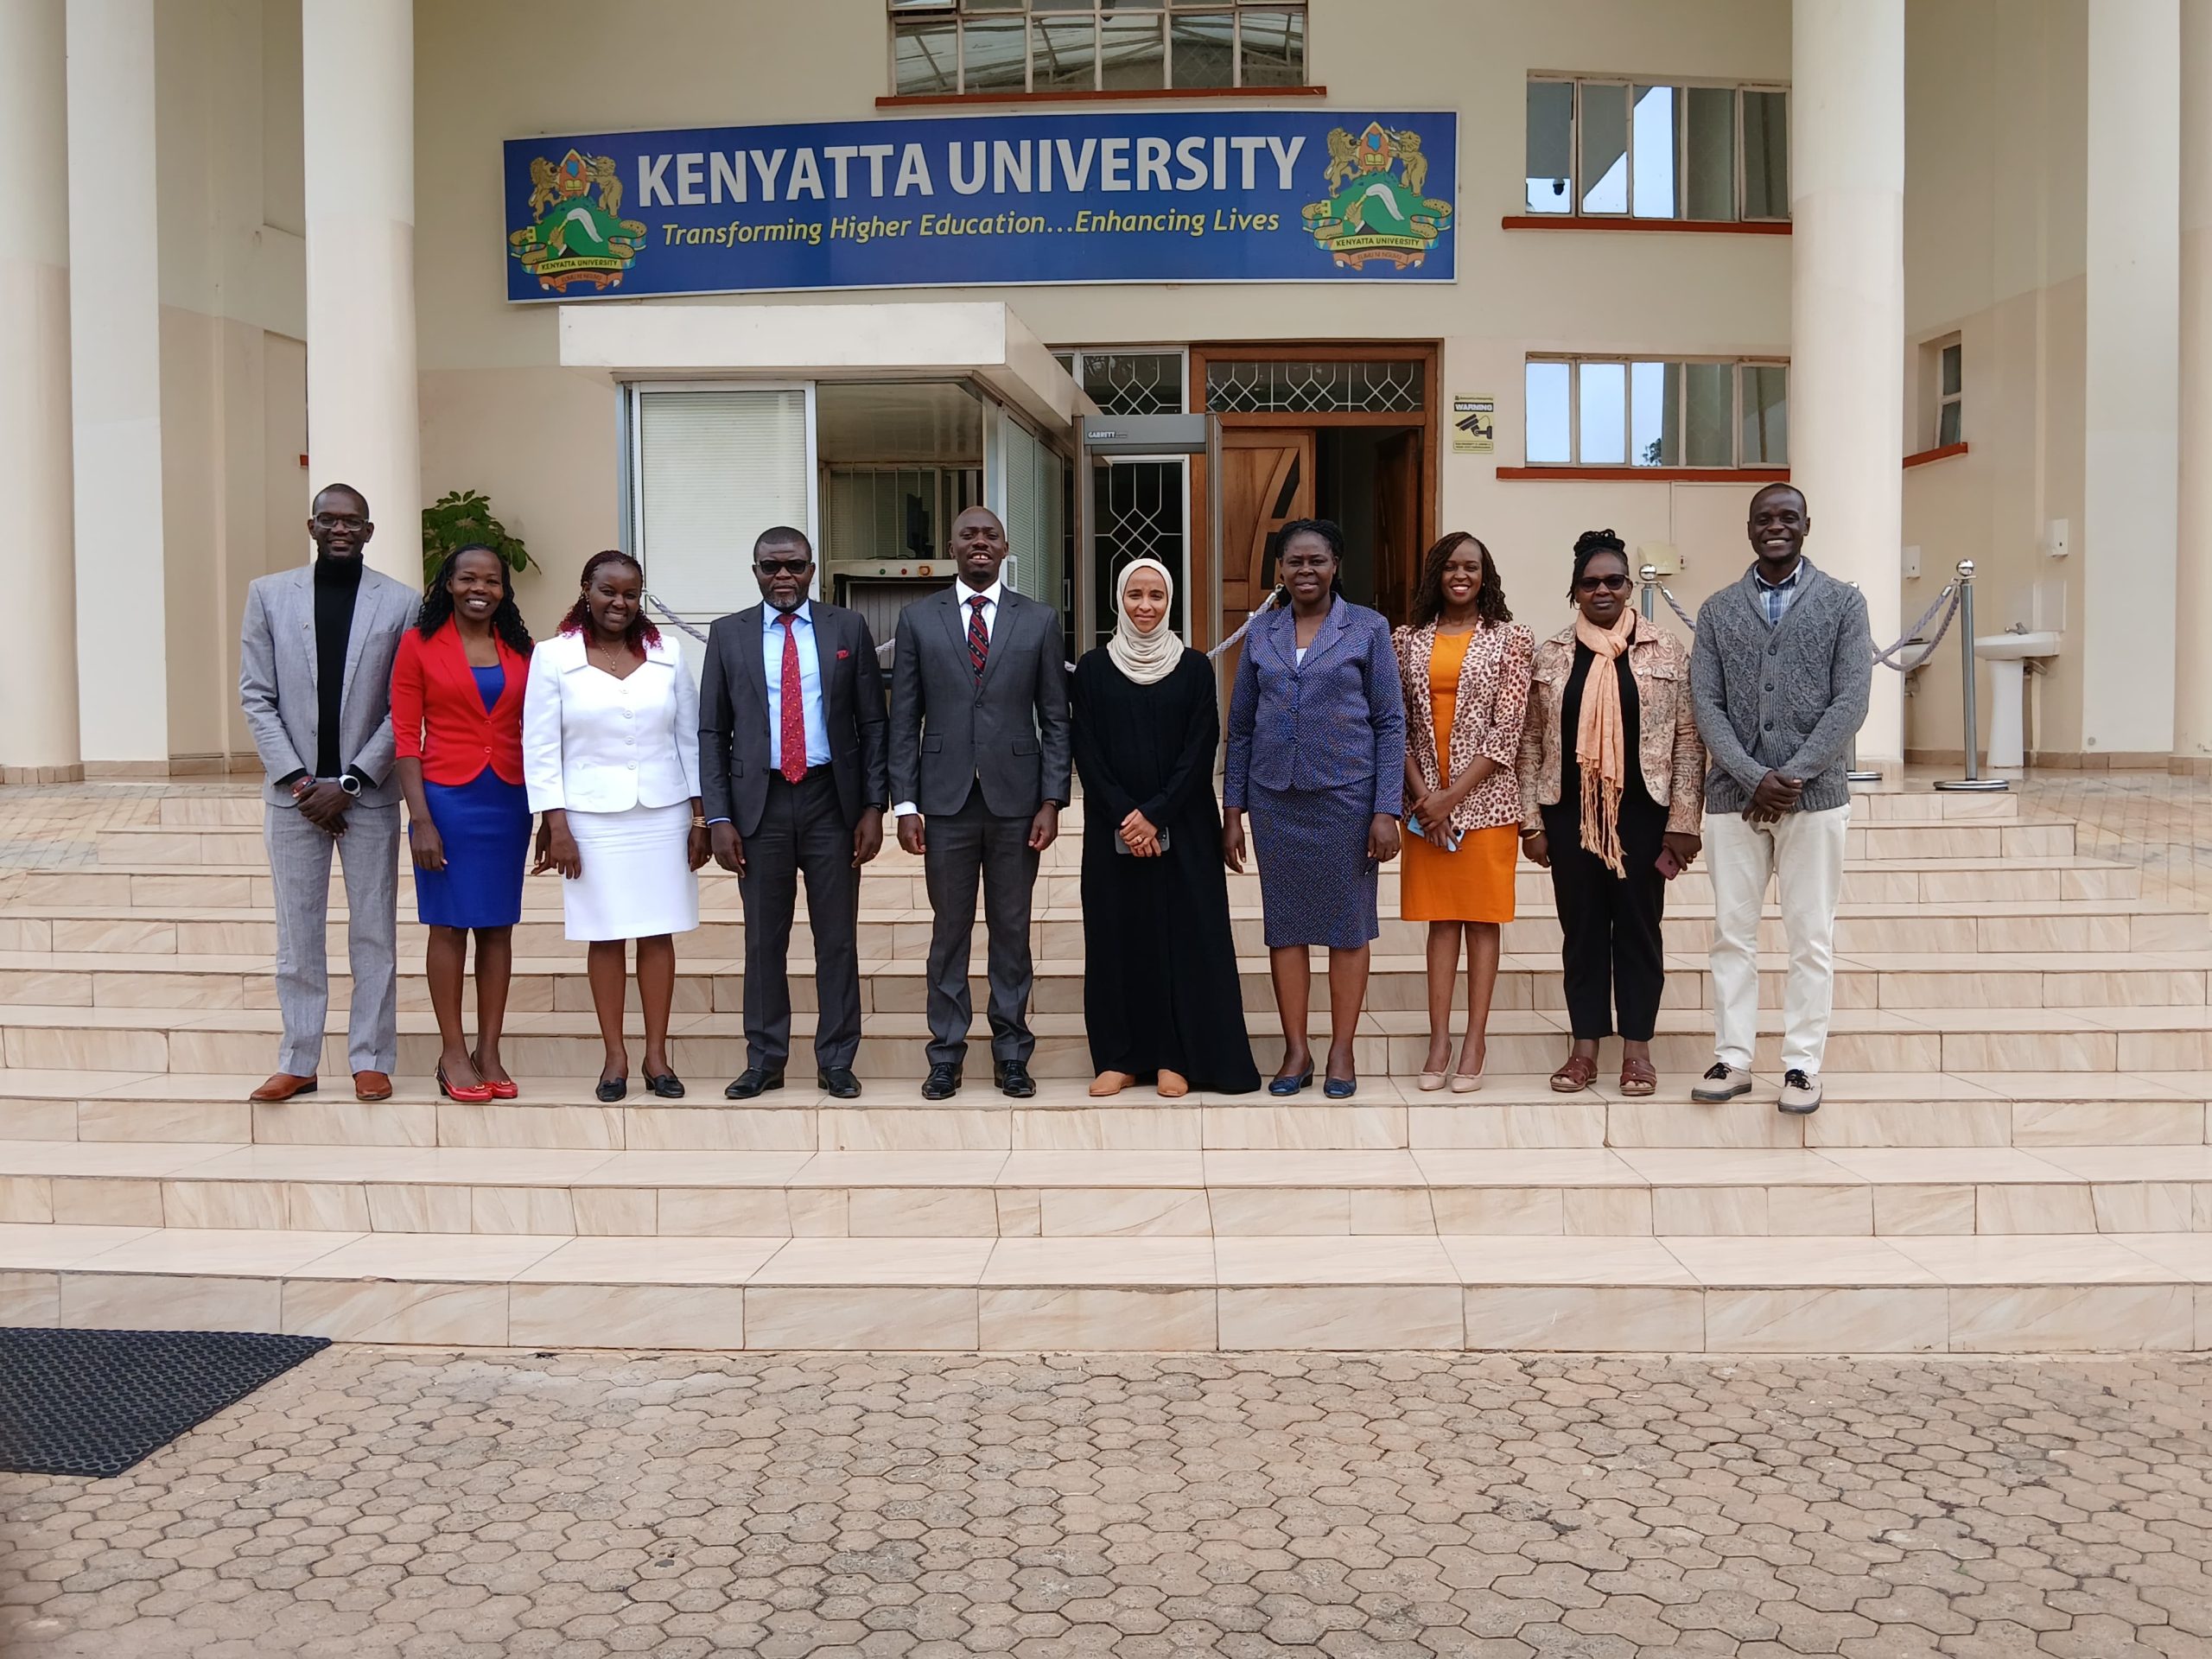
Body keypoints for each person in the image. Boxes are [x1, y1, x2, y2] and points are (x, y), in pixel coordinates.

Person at [1689, 484, 1872, 1116]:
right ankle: (1733, 1057)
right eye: (1765, 519)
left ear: (1806, 526)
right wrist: (1748, 775)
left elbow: (1851, 700)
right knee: (1732, 935)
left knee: (1809, 937)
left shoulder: (1844, 604)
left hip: (1815, 799)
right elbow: (1705, 705)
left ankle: (1801, 1064)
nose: (1776, 527)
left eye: (1787, 517)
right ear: (1748, 529)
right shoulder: (1716, 611)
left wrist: (1790, 776)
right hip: (1732, 800)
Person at [238, 483, 417, 1105]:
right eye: (328, 520)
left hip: (363, 797)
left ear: (369, 531)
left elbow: (404, 707)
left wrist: (349, 782)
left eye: (353, 521)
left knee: (374, 933)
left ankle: (370, 1056)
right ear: (311, 527)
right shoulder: (268, 596)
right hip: (292, 799)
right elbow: (256, 695)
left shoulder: (400, 603)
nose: (340, 529)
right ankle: (299, 1059)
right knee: (297, 934)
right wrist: (297, 780)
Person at [698, 527, 889, 1102]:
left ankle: (836, 1060)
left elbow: (872, 724)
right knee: (763, 940)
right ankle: (765, 1060)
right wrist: (718, 817)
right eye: (770, 566)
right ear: (754, 570)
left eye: (795, 566)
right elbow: (712, 731)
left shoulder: (846, 628)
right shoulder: (727, 634)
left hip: (832, 800)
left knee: (836, 939)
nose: (782, 576)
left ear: (813, 570)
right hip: (760, 805)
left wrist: (873, 805)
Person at [889, 506, 1072, 1100]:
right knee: (949, 932)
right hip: (943, 804)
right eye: (968, 534)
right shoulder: (918, 619)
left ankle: (1012, 1053)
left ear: (1005, 545)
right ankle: (945, 1055)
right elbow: (904, 718)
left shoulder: (1039, 620)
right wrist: (905, 802)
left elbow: (1055, 716)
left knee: (1012, 930)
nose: (979, 543)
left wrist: (1053, 798)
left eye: (989, 534)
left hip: (1018, 804)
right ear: (952, 544)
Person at [1224, 518, 1405, 1100]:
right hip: (1276, 802)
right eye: (1294, 562)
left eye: (1316, 561)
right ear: (1280, 569)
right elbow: (1242, 725)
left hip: (1347, 801)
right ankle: (1296, 1048)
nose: (1305, 572)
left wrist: (1386, 808)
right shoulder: (1262, 633)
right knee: (1287, 930)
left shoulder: (1368, 629)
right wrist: (1233, 809)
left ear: (1335, 567)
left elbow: (1388, 721)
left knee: (1349, 929)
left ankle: (1342, 1048)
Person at [1518, 531, 1704, 1097]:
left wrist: (1684, 821)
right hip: (1570, 814)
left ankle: (1639, 1052)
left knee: (1640, 931)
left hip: (1644, 814)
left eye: (1613, 581)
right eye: (1590, 582)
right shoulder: (1550, 655)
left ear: (1629, 586)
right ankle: (1584, 1050)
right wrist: (1531, 820)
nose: (1602, 590)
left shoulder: (1666, 649)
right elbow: (1530, 743)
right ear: (1575, 591)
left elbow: (1689, 742)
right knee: (1582, 932)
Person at [523, 550, 708, 1103]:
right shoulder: (553, 656)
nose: (619, 603)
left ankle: (656, 1055)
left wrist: (700, 816)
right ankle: (615, 1057)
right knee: (603, 934)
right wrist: (554, 823)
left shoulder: (666, 652)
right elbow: (541, 743)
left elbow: (689, 738)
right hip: (589, 815)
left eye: (630, 594)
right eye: (608, 591)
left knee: (657, 931)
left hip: (663, 811)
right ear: (586, 589)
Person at [1074, 558, 1261, 1099]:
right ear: (1119, 599)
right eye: (1135, 594)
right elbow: (1086, 750)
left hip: (1185, 830)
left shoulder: (1195, 668)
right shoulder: (1091, 668)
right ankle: (1121, 1057)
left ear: (1170, 599)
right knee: (1118, 939)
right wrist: (1127, 818)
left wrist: (1154, 813)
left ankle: (1178, 1057)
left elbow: (1201, 748)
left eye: (1157, 594)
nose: (1146, 606)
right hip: (1113, 834)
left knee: (1184, 939)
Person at [390, 544, 535, 1103]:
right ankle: (452, 1051)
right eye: (469, 578)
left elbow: (540, 731)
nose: (481, 588)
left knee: (498, 927)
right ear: (447, 584)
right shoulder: (418, 646)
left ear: (504, 589)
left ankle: (489, 1049)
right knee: (448, 925)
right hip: (446, 801)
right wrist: (419, 819)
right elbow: (405, 738)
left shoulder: (522, 648)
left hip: (508, 800)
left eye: (492, 580)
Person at [1393, 533, 1534, 1093]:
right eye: (1451, 566)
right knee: (1441, 920)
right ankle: (1439, 1040)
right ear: (1437, 574)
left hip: (1486, 804)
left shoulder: (1509, 639)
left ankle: (1474, 1040)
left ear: (1484, 575)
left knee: (1480, 918)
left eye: (1471, 567)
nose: (1461, 575)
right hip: (1423, 804)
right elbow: (1396, 724)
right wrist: (1426, 797)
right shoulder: (1405, 641)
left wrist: (1450, 798)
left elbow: (1509, 728)